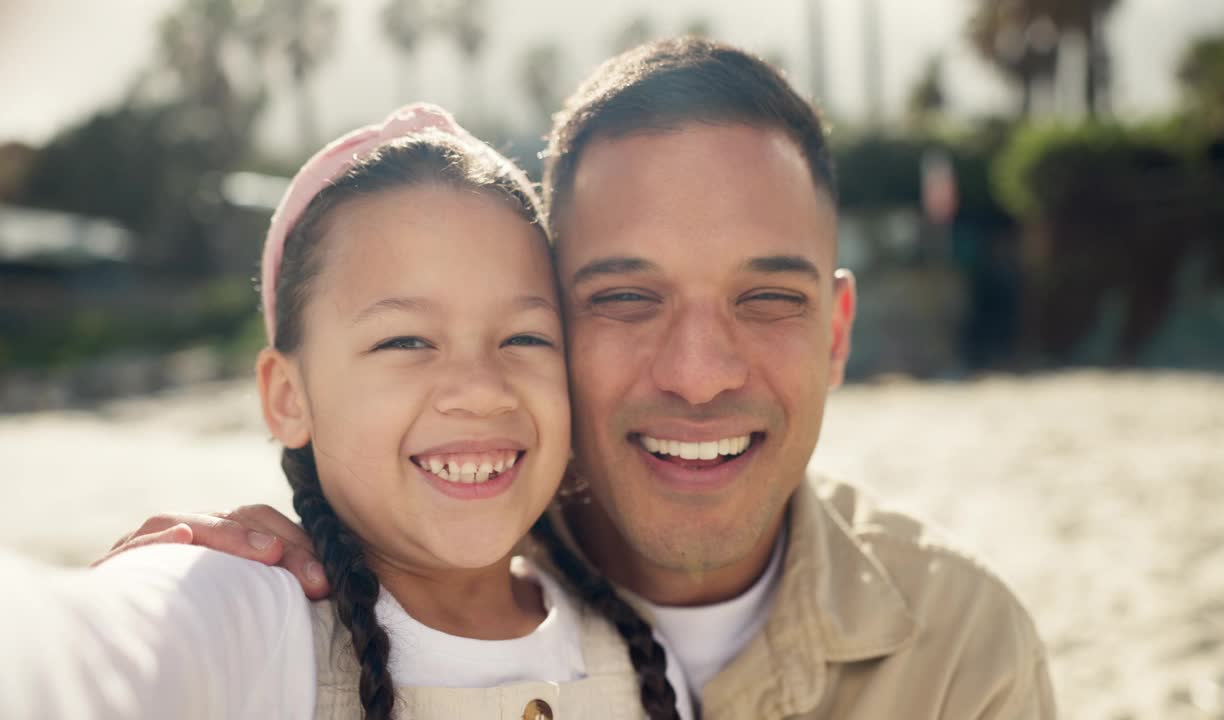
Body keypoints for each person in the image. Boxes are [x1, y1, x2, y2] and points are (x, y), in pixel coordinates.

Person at [104, 38, 1056, 718]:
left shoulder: (962, 654)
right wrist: (176, 585)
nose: (696, 375)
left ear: (839, 331)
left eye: (767, 298)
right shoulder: (273, 608)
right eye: (627, 298)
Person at [3, 103, 693, 720]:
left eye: (525, 338)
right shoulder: (241, 615)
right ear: (287, 397)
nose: (482, 389)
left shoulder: (645, 658)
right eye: (406, 340)